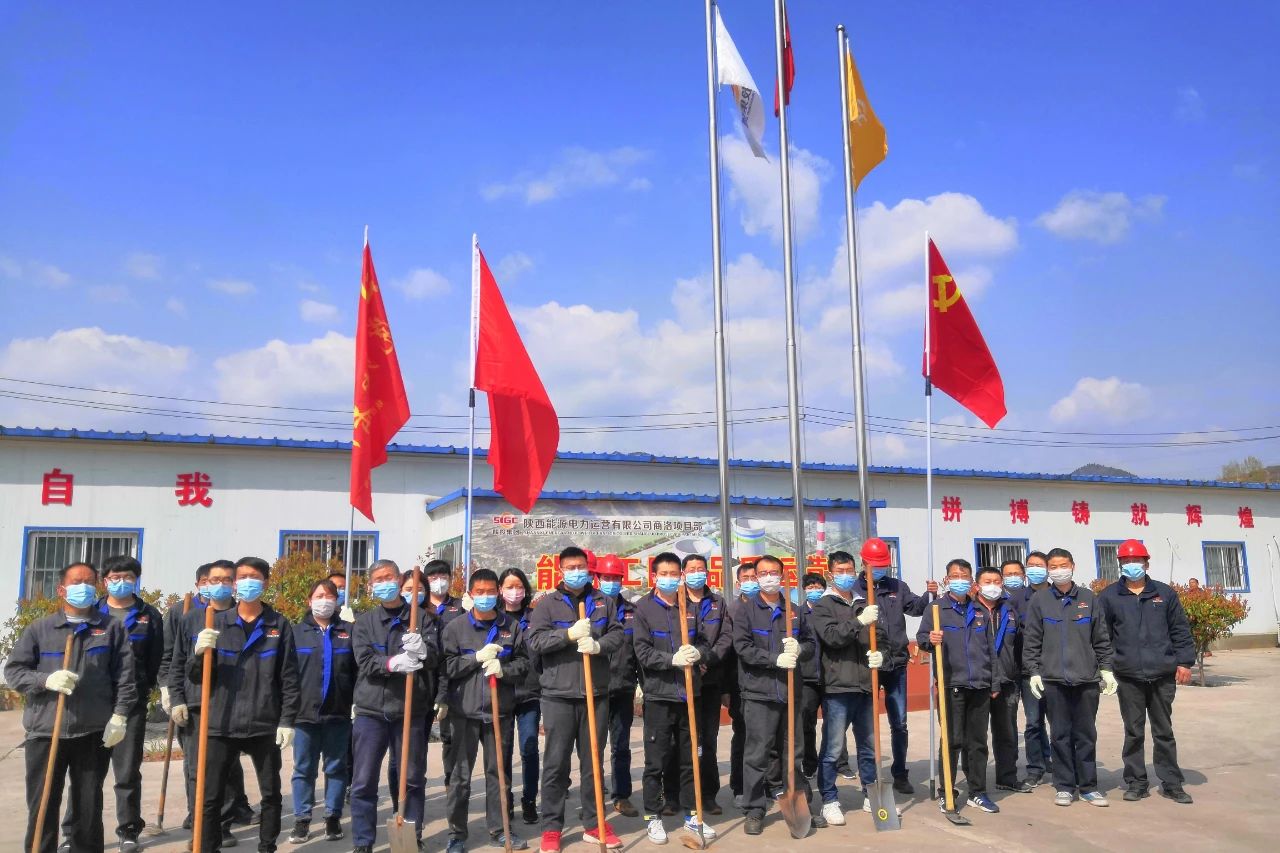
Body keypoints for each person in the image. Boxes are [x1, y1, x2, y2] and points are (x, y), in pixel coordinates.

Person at [6, 561, 136, 853]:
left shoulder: (111, 629)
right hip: (45, 732)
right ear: (62, 589)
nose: (84, 588)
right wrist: (45, 680)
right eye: (77, 582)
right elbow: (14, 671)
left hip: (91, 732)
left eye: (90, 582)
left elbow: (125, 678)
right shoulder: (40, 629)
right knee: (42, 805)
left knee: (87, 807)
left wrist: (119, 716)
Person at [188, 557, 300, 853]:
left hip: (263, 722)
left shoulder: (278, 625)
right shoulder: (216, 623)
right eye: (242, 577)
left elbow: (289, 678)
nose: (248, 582)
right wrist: (199, 654)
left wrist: (287, 720)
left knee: (271, 794)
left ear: (266, 583)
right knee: (210, 795)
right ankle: (208, 847)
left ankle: (267, 847)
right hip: (221, 723)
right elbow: (197, 677)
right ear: (235, 583)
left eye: (255, 576)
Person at [54, 555, 161, 852]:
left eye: (128, 577)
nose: (121, 581)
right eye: (115, 577)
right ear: (105, 581)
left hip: (130, 704)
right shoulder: (92, 612)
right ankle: (72, 831)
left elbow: (155, 658)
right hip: (91, 703)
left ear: (136, 580)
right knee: (85, 774)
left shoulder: (148, 615)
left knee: (127, 772)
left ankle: (129, 830)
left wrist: (144, 690)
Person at [526, 546, 625, 853]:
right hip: (558, 696)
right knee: (556, 764)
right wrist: (567, 635)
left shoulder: (603, 601)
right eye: (570, 567)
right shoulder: (546, 604)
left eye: (581, 566)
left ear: (588, 569)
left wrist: (598, 645)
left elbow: (617, 635)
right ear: (560, 570)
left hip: (596, 693)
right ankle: (551, 828)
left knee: (593, 763)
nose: (576, 572)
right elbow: (535, 641)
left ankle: (594, 824)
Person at [729, 555, 824, 836]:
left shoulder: (793, 610)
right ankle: (754, 808)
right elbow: (743, 648)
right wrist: (775, 659)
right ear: (756, 577)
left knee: (793, 752)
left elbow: (810, 643)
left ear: (782, 576)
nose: (769, 577)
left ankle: (800, 802)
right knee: (757, 754)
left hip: (791, 692)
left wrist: (799, 649)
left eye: (774, 572)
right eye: (763, 573)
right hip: (759, 693)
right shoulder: (745, 611)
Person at [350, 560, 439, 853]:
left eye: (388, 577)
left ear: (400, 580)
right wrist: (393, 663)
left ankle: (411, 835)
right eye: (377, 579)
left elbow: (435, 657)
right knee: (364, 780)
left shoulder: (420, 618)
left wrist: (423, 650)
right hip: (371, 711)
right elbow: (364, 661)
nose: (383, 583)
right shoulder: (364, 622)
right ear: (370, 585)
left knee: (411, 778)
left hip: (410, 710)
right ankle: (363, 840)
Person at [1097, 540, 1196, 804]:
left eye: (1137, 561)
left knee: (1164, 731)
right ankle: (1136, 782)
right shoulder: (1109, 597)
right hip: (1128, 675)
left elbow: (1180, 630)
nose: (1132, 565)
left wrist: (1185, 662)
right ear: (1120, 564)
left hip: (1162, 674)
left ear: (1147, 563)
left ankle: (1172, 783)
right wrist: (1105, 668)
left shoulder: (1164, 594)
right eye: (1127, 561)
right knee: (1134, 731)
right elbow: (1102, 635)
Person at [442, 568, 531, 853]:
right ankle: (457, 834)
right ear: (470, 594)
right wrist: (476, 659)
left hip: (498, 713)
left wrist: (504, 669)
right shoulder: (456, 628)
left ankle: (500, 829)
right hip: (463, 713)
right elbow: (447, 667)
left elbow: (524, 664)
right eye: (479, 592)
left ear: (498, 593)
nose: (485, 596)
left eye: (490, 591)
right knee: (460, 777)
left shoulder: (511, 626)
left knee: (499, 775)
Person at [632, 553, 718, 845]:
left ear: (681, 576)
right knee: (656, 761)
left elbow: (705, 641)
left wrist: (698, 653)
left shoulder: (689, 605)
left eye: (674, 573)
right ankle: (652, 816)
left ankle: (692, 815)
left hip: (690, 694)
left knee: (690, 758)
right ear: (654, 577)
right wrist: (672, 659)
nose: (669, 578)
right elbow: (642, 652)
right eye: (664, 574)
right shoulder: (643, 609)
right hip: (659, 695)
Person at [167, 560, 253, 845]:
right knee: (197, 769)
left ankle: (222, 825)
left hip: (230, 703)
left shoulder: (244, 617)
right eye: (214, 580)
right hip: (196, 703)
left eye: (227, 579)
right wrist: (176, 698)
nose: (220, 584)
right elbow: (177, 662)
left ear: (235, 584)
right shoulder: (191, 618)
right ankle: (200, 826)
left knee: (224, 770)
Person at [1023, 547, 1116, 808]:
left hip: (1086, 679)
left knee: (1086, 734)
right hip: (1054, 680)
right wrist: (1033, 671)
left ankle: (1088, 787)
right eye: (1053, 567)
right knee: (1060, 734)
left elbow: (1101, 637)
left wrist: (1106, 669)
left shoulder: (1088, 598)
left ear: (1073, 566)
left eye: (1063, 565)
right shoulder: (1040, 600)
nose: (1058, 570)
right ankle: (1064, 786)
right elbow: (1032, 639)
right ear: (1048, 570)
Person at [848, 540, 937, 794]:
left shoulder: (897, 586)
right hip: (867, 664)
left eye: (883, 565)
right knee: (866, 724)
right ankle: (869, 777)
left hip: (896, 662)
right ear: (863, 562)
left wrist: (929, 595)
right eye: (875, 565)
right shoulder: (854, 590)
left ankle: (900, 773)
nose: (879, 569)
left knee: (899, 723)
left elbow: (916, 608)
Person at [917, 560, 999, 814]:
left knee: (977, 742)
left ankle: (977, 791)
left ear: (971, 581)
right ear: (946, 580)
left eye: (964, 576)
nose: (959, 580)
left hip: (980, 685)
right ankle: (947, 793)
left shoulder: (979, 610)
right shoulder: (936, 609)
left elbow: (990, 649)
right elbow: (922, 639)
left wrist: (994, 681)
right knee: (952, 741)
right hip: (952, 684)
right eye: (954, 576)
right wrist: (930, 639)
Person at [809, 554, 885, 826]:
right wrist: (859, 622)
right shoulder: (823, 605)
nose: (846, 574)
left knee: (868, 746)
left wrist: (881, 655)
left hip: (866, 685)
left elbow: (881, 638)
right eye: (840, 570)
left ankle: (871, 793)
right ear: (830, 574)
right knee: (833, 748)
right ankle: (829, 799)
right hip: (838, 686)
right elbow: (832, 637)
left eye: (850, 570)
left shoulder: (865, 602)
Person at [288, 579, 356, 843]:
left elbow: (357, 670)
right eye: (319, 596)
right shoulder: (296, 633)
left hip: (338, 713)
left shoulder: (349, 631)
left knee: (336, 768)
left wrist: (356, 702)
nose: (324, 600)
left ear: (337, 601)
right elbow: (287, 675)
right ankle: (302, 819)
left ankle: (332, 817)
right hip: (304, 714)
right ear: (309, 601)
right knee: (304, 769)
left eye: (329, 596)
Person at [667, 553, 731, 815]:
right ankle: (673, 796)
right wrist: (689, 663)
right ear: (683, 573)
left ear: (707, 572)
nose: (696, 573)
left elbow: (725, 637)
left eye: (700, 569)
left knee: (708, 740)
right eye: (691, 569)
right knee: (679, 740)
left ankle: (708, 794)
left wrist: (705, 659)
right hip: (681, 681)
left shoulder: (717, 602)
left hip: (711, 680)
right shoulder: (674, 600)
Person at [593, 554, 639, 817]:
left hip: (623, 687)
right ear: (598, 578)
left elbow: (640, 650)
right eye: (606, 577)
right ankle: (594, 796)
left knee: (621, 745)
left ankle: (622, 796)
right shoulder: (589, 608)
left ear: (622, 580)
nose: (611, 582)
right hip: (595, 689)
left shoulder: (633, 611)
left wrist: (641, 684)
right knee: (594, 747)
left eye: (615, 578)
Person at [499, 568, 543, 826]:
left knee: (529, 747)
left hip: (529, 692)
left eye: (518, 586)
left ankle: (529, 800)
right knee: (502, 751)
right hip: (502, 691)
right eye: (509, 586)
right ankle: (505, 800)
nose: (514, 591)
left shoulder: (535, 617)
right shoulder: (495, 618)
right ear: (500, 590)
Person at [988, 563, 1033, 795]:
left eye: (997, 582)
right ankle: (973, 781)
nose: (993, 586)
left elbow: (1022, 642)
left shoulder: (1010, 610)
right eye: (988, 582)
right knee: (971, 735)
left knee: (1006, 731)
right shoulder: (970, 609)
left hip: (1007, 679)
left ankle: (1007, 776)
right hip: (977, 681)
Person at [1014, 551, 1052, 786]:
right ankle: (1036, 767)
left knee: (1060, 722)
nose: (1034, 569)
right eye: (1030, 565)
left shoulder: (1058, 595)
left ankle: (1060, 762)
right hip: (1029, 671)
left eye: (1039, 565)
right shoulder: (1017, 598)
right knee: (1033, 721)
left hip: (1057, 670)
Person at [724, 560, 758, 809]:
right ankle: (740, 785)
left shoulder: (768, 606)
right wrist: (726, 688)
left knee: (766, 738)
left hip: (765, 682)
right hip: (739, 682)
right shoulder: (732, 611)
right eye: (746, 578)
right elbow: (727, 652)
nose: (751, 582)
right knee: (743, 735)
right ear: (738, 584)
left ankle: (767, 784)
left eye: (754, 577)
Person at [799, 572, 826, 779]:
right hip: (806, 677)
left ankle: (839, 762)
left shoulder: (829, 612)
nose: (814, 590)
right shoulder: (798, 614)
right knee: (807, 723)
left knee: (834, 723)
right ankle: (809, 764)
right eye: (810, 587)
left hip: (830, 676)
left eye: (818, 587)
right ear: (804, 590)